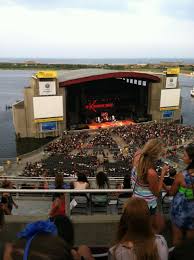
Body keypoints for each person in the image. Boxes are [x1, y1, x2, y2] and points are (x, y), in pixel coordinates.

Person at [131, 139, 169, 231]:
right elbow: (156, 192)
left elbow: (148, 181)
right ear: (156, 155)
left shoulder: (137, 156)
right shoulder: (151, 172)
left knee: (138, 228)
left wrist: (164, 186)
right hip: (147, 205)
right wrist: (163, 173)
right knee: (149, 229)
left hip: (135, 200)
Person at [169, 144, 194, 246]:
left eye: (185, 155)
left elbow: (172, 192)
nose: (182, 157)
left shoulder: (181, 176)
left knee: (177, 239)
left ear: (191, 159)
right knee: (190, 242)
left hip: (180, 211)